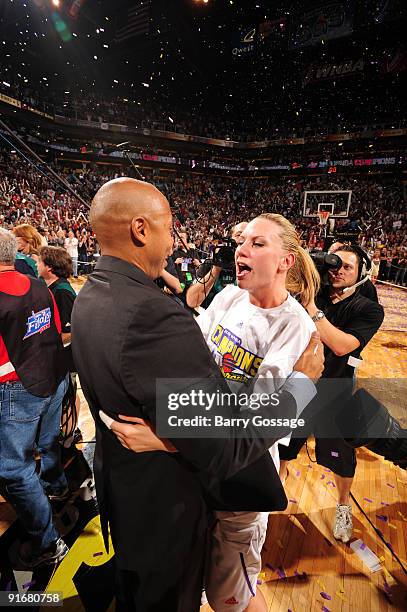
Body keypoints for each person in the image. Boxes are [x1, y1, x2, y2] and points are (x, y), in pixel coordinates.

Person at [71, 178, 324, 612]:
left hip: (243, 466)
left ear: (286, 260)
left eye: (256, 242)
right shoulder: (227, 297)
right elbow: (189, 372)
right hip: (201, 458)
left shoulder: (295, 325)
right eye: (241, 239)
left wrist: (167, 437)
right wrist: (176, 434)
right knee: (196, 576)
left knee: (230, 595)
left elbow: (248, 415)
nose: (240, 248)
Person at [279, 245, 384, 542]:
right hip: (300, 387)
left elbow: (341, 345)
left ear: (361, 274)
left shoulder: (368, 308)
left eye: (347, 267)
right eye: (334, 264)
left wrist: (311, 307)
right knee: (284, 450)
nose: (337, 270)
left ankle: (343, 506)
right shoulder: (316, 291)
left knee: (340, 460)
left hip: (335, 394)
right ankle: (274, 492)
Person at [0, 228, 69, 568]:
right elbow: (53, 329)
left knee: (13, 470)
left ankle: (48, 544)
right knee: (47, 442)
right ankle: (56, 488)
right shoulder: (41, 286)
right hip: (53, 377)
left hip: (17, 389)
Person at [38, 246, 82, 446]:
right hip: (58, 355)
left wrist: (43, 343)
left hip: (67, 355)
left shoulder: (62, 292)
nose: (36, 265)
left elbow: (71, 331)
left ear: (49, 267)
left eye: (39, 262)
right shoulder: (51, 288)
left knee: (70, 395)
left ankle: (68, 438)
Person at [186, 222, 248, 310]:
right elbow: (192, 301)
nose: (243, 240)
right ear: (229, 239)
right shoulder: (211, 263)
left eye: (249, 236)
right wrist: (216, 268)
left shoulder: (254, 267)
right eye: (239, 235)